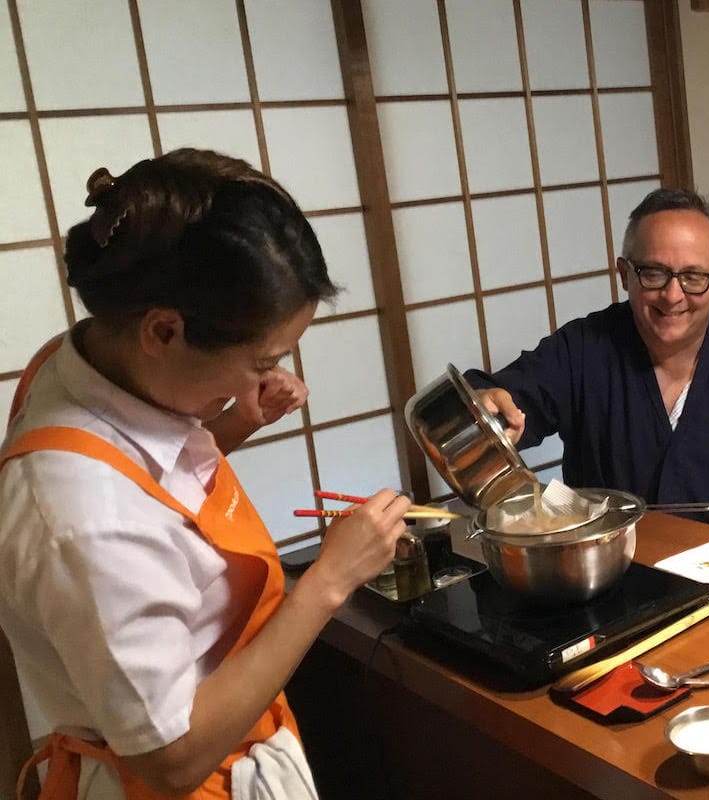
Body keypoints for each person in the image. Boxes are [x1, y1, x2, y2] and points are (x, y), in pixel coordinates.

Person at [0, 149, 412, 799]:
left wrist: (235, 420)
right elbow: (171, 760)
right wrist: (329, 580)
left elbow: (148, 490)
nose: (270, 377)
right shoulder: (81, 519)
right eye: (262, 361)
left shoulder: (82, 360)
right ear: (164, 331)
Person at [468, 189, 709, 544]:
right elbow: (499, 402)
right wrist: (487, 404)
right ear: (625, 274)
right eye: (654, 273)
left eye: (693, 276)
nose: (673, 295)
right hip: (621, 575)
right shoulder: (582, 350)